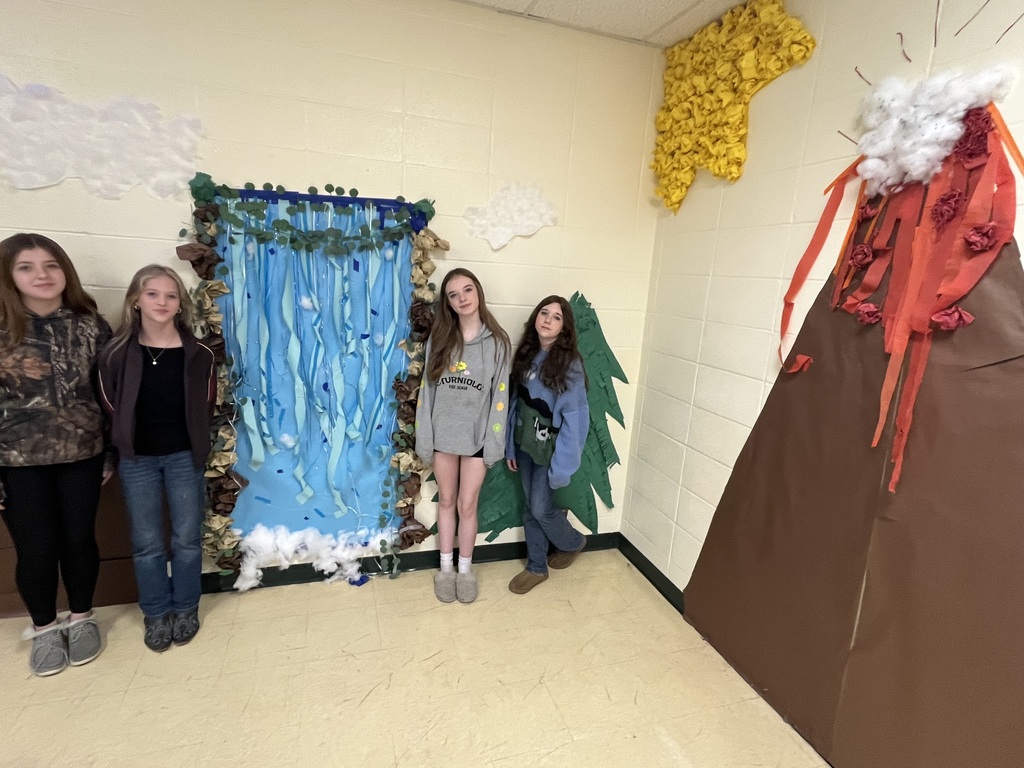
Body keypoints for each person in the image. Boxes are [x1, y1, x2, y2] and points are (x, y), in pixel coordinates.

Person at [0, 233, 113, 676]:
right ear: (9, 275)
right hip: (16, 462)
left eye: (50, 265)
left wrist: (111, 453)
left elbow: (109, 395)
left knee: (79, 540)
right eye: (26, 267)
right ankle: (45, 628)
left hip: (82, 454)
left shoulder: (90, 324)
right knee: (36, 549)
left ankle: (83, 618)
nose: (42, 275)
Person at [98, 265, 215, 652]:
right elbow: (110, 405)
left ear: (180, 304)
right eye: (153, 294)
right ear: (136, 300)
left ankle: (185, 608)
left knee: (186, 538)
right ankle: (155, 612)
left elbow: (207, 404)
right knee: (147, 542)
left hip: (184, 457)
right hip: (138, 461)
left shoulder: (197, 354)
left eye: (170, 295)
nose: (162, 302)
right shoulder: (115, 353)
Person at [415, 268, 510, 604]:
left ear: (478, 292)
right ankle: (445, 568)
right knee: (447, 502)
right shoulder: (439, 340)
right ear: (448, 303)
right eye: (453, 295)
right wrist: (424, 439)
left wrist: (495, 443)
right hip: (443, 438)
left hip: (477, 440)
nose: (462, 299)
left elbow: (500, 398)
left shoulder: (498, 343)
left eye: (467, 290)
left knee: (468, 505)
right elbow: (426, 395)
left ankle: (465, 569)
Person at [505, 296, 589, 594]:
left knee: (540, 509)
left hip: (549, 453)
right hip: (525, 446)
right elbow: (516, 403)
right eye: (544, 313)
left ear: (564, 327)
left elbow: (576, 421)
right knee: (532, 508)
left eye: (556, 317)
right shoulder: (526, 354)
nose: (548, 320)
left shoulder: (570, 365)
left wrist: (563, 467)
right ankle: (537, 566)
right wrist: (510, 447)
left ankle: (573, 541)